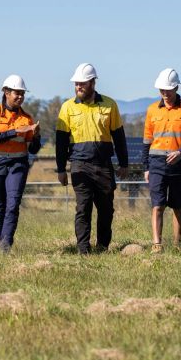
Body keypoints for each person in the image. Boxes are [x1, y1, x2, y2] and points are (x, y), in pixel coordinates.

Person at [55, 63, 129, 254]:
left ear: (92, 83)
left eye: (82, 83)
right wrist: (61, 169)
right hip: (79, 165)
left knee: (106, 210)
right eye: (76, 83)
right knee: (83, 208)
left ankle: (103, 247)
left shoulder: (109, 105)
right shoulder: (67, 107)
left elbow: (119, 137)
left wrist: (123, 163)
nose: (78, 87)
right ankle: (83, 250)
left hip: (104, 166)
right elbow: (61, 142)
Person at [141, 68, 181, 253]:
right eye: (161, 90)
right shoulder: (151, 110)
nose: (164, 93)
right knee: (157, 205)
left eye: (167, 90)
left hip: (179, 165)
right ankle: (157, 244)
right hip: (156, 164)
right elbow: (146, 141)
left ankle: (177, 244)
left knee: (177, 206)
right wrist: (146, 167)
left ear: (176, 87)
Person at [0, 74, 41, 253]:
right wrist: (15, 131)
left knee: (13, 204)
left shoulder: (27, 119)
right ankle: (1, 245)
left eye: (22, 93)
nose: (20, 97)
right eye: (17, 93)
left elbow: (33, 150)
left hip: (18, 165)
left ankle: (6, 244)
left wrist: (36, 136)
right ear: (6, 92)